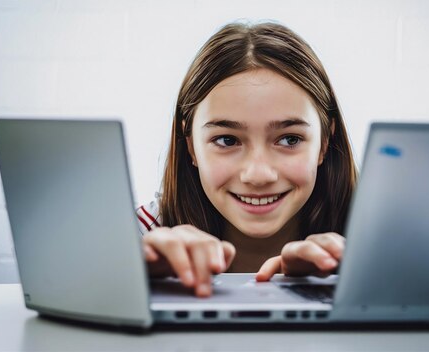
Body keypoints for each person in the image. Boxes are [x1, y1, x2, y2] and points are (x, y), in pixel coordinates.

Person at [136, 21, 358, 297]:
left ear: (325, 142)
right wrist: (128, 279)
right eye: (227, 140)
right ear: (191, 146)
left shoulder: (375, 242)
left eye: (290, 139)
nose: (258, 174)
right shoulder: (140, 237)